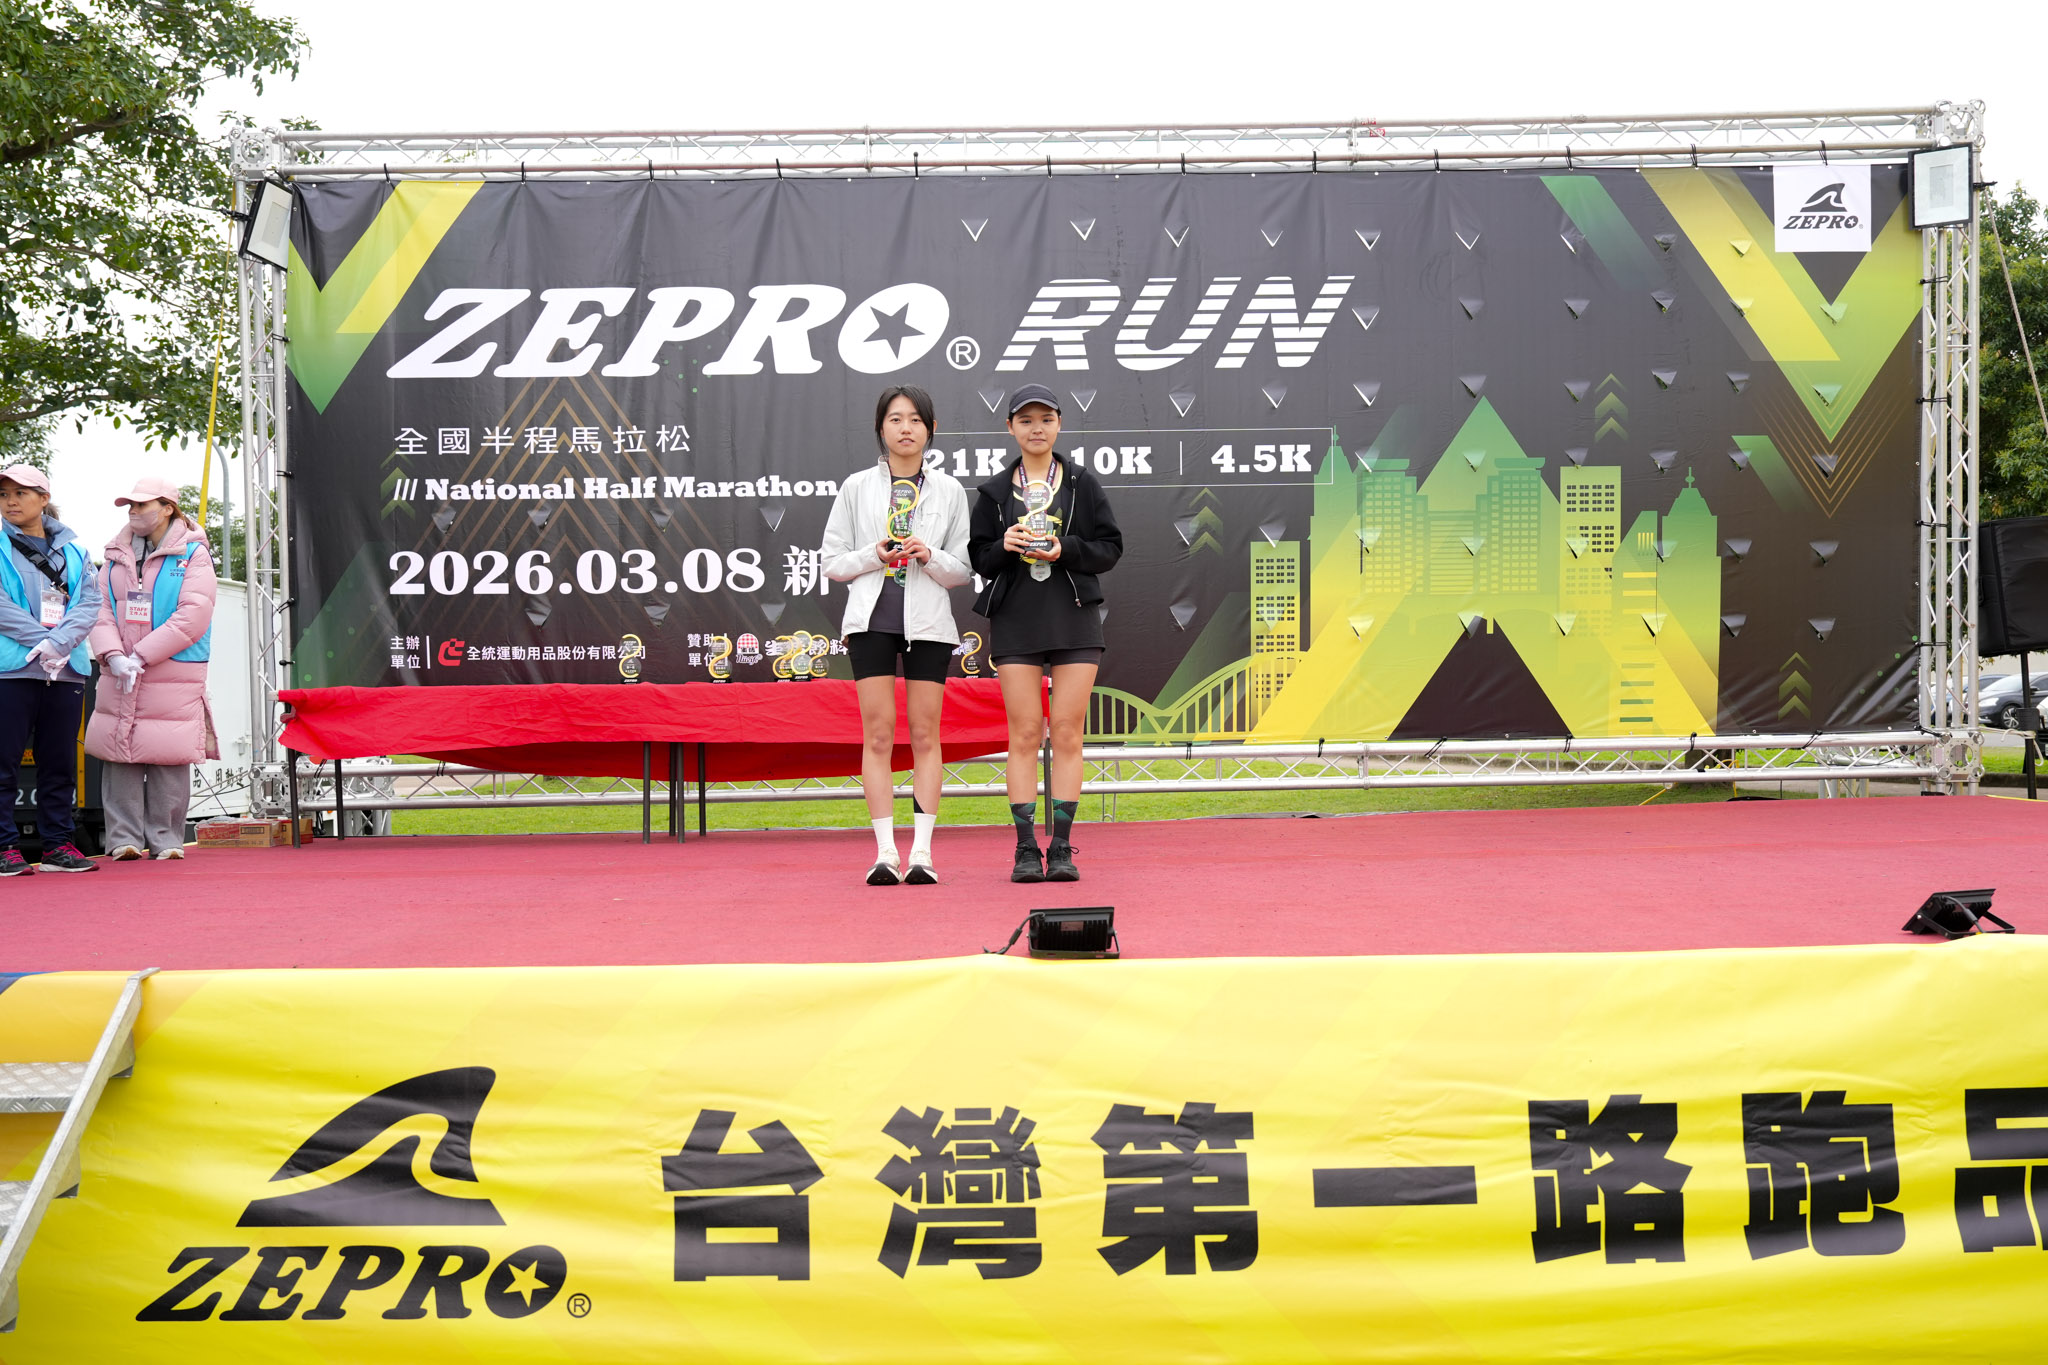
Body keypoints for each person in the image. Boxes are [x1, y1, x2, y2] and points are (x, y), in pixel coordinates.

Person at [968, 383, 1123, 883]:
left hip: (1074, 616)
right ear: (1010, 427)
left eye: (1046, 419)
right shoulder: (994, 492)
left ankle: (1060, 847)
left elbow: (1110, 548)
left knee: (1068, 731)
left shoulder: (1081, 482)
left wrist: (1065, 549)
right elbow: (979, 558)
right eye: (1026, 420)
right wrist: (1006, 544)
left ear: (1059, 424)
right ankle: (1023, 849)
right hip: (1016, 618)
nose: (1037, 429)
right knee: (1024, 733)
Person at [820, 385, 971, 885]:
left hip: (929, 625)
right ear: (880, 427)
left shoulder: (949, 490)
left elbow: (963, 570)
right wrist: (874, 554)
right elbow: (832, 562)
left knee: (926, 734)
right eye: (895, 419)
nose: (906, 428)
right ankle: (885, 852)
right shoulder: (857, 487)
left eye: (915, 420)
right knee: (879, 733)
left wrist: (930, 556)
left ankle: (922, 853)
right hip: (871, 624)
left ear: (930, 429)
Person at [86, 476, 219, 861]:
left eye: (142, 504)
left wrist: (141, 655)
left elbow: (193, 615)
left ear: (167, 508)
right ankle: (123, 839)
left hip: (172, 666)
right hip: (120, 667)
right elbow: (99, 608)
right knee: (119, 751)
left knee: (169, 752)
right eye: (130, 505)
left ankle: (167, 839)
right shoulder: (115, 553)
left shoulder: (194, 554)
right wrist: (113, 655)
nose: (134, 511)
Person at [0, 464, 105, 874]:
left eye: (20, 493)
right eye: (4, 494)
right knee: (4, 762)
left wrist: (58, 644)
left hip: (65, 671)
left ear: (44, 499)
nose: (10, 501)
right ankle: (4, 848)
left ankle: (58, 846)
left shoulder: (75, 551)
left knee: (59, 763)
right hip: (12, 669)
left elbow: (89, 602)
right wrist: (41, 641)